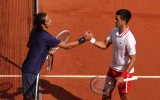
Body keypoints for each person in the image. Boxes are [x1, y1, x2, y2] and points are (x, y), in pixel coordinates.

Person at [22, 12, 91, 100]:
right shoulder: (46, 37)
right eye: (48, 20)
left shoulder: (35, 31)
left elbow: (30, 45)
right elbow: (67, 46)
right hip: (31, 72)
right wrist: (84, 39)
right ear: (43, 24)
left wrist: (45, 51)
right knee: (29, 98)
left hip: (29, 68)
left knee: (30, 97)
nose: (51, 20)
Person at [87, 9, 136, 100]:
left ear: (123, 21)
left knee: (123, 95)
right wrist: (91, 39)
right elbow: (105, 45)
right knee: (106, 93)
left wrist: (123, 76)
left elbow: (133, 59)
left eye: (117, 19)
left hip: (124, 71)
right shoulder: (114, 31)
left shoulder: (129, 39)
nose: (114, 20)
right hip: (113, 68)